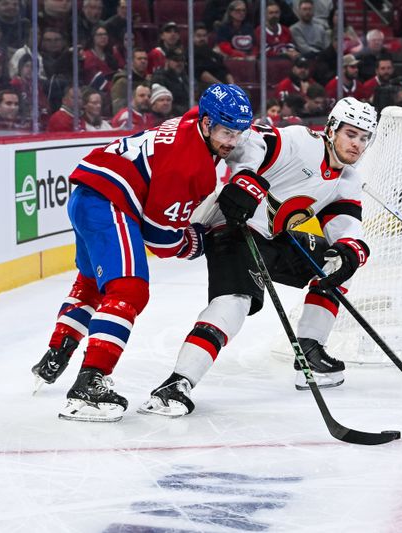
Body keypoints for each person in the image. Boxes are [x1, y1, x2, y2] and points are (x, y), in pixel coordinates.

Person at [138, 97, 378, 417]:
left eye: (364, 137)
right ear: (332, 129)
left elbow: (344, 225)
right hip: (231, 226)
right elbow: (250, 140)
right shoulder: (301, 141)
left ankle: (309, 349)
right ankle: (176, 383)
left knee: (334, 267)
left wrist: (349, 249)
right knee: (235, 303)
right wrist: (245, 177)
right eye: (351, 134)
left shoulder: (346, 180)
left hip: (274, 237)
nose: (357, 144)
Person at [30, 83, 253, 422]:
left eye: (238, 133)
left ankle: (56, 352)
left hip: (86, 195)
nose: (232, 142)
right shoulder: (193, 167)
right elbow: (161, 240)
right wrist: (195, 241)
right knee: (129, 288)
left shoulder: (192, 120)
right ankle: (89, 383)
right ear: (207, 123)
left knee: (92, 282)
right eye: (226, 132)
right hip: (110, 202)